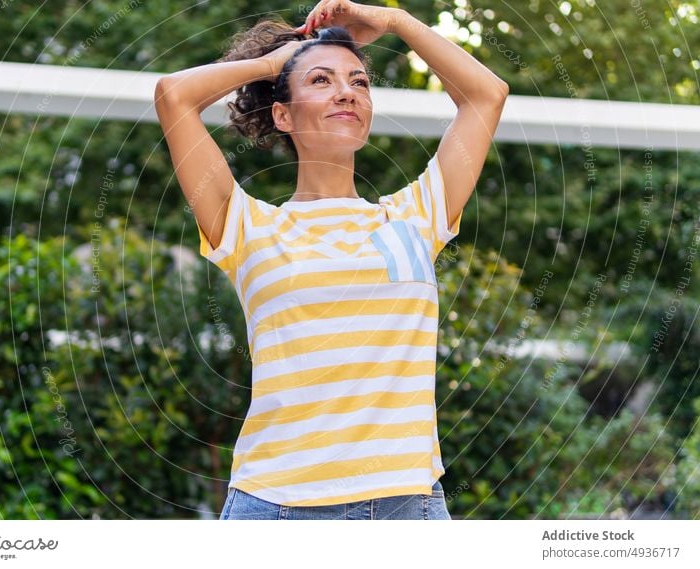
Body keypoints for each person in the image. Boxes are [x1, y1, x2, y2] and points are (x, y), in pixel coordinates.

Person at [154, 0, 508, 520]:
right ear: (282, 113)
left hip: (407, 508)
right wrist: (277, 63)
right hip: (277, 510)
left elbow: (486, 94)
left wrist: (394, 22)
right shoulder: (247, 225)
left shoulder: (416, 215)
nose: (346, 91)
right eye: (321, 81)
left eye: (359, 82)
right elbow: (173, 95)